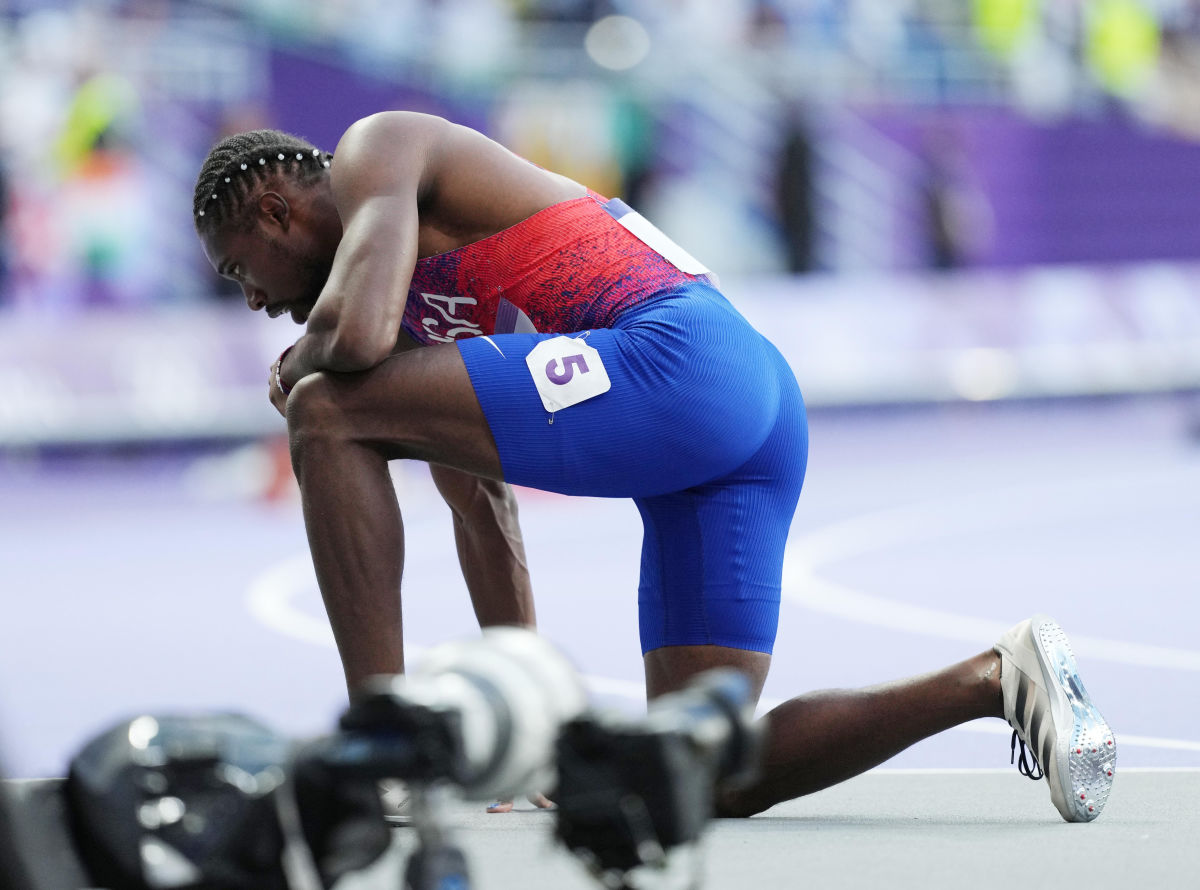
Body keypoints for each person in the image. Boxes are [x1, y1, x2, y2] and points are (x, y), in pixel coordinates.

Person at [192, 111, 1115, 822]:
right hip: (746, 411)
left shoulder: (375, 149)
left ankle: (379, 748)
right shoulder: (402, 328)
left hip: (678, 363)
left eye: (243, 272)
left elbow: (343, 341)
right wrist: (532, 727)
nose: (256, 303)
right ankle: (996, 676)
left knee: (324, 408)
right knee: (697, 775)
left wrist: (295, 368)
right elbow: (483, 512)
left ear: (276, 211)